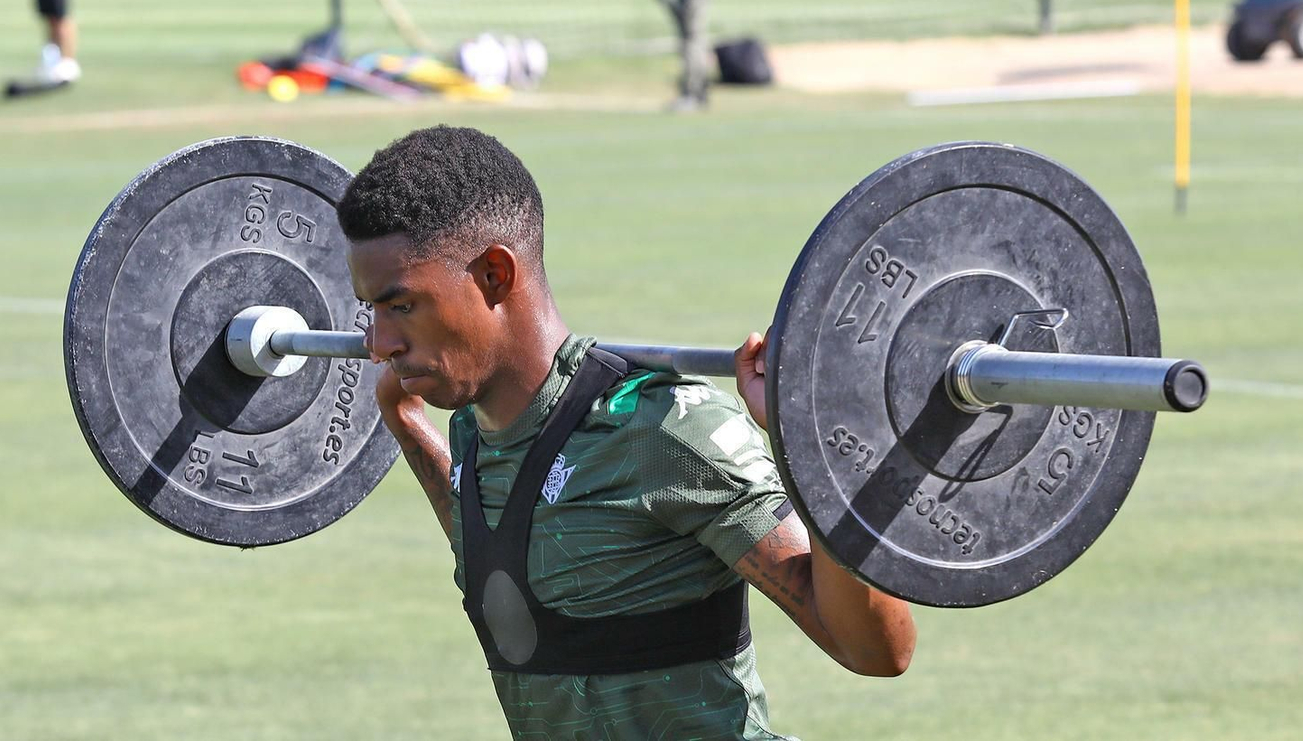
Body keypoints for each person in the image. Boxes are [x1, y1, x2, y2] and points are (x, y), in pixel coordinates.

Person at [337, 126, 916, 740]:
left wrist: (808, 444)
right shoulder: (475, 433)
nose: (378, 344)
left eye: (400, 307)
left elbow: (879, 652)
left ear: (495, 277)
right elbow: (512, 555)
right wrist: (405, 424)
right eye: (371, 310)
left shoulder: (664, 430)